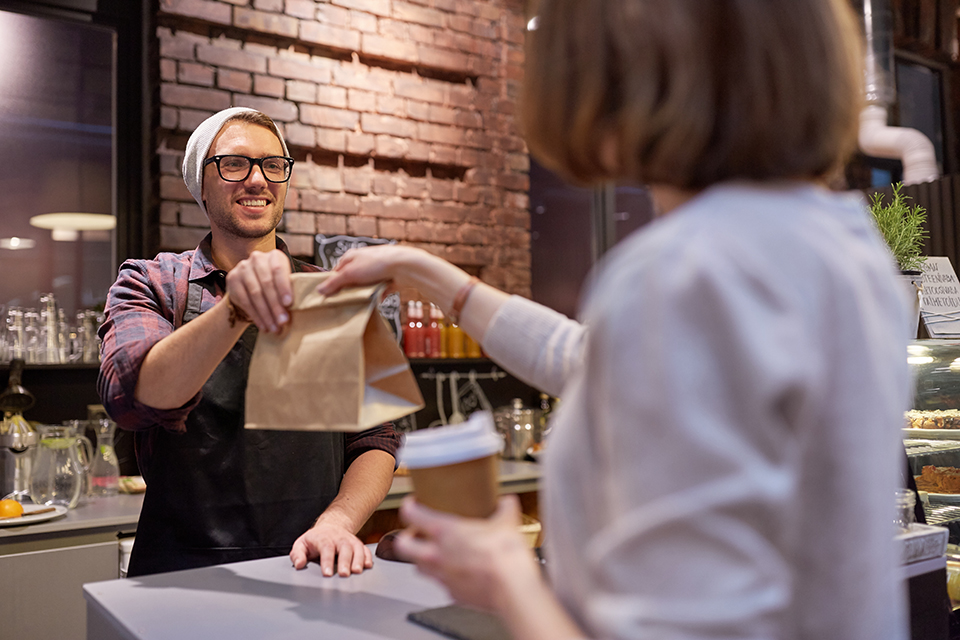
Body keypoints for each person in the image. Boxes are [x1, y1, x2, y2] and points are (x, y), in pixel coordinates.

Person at [315, 1, 912, 638]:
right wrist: (430, 274)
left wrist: (504, 577)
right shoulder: (844, 246)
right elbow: (591, 359)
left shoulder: (683, 271)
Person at [98, 107, 400, 578]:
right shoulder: (152, 282)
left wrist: (339, 521)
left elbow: (378, 436)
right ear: (201, 185)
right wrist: (233, 310)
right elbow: (131, 399)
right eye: (234, 164)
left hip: (312, 562)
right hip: (180, 578)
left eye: (273, 164)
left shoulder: (335, 294)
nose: (257, 179)